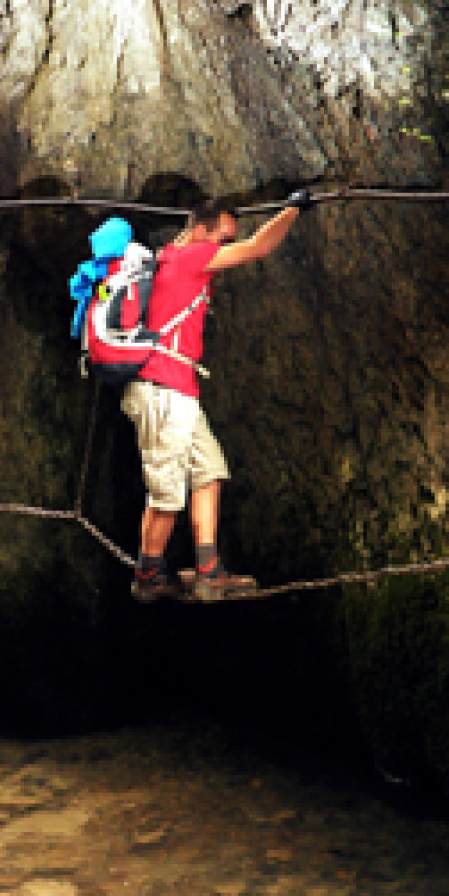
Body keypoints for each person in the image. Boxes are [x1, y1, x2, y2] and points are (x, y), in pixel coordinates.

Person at [121, 192, 310, 602]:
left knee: (209, 470)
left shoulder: (171, 257)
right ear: (201, 230)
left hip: (179, 390)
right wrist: (294, 208)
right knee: (167, 495)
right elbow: (259, 246)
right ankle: (149, 577)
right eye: (222, 238)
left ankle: (209, 571)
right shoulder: (188, 258)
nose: (223, 248)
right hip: (162, 391)